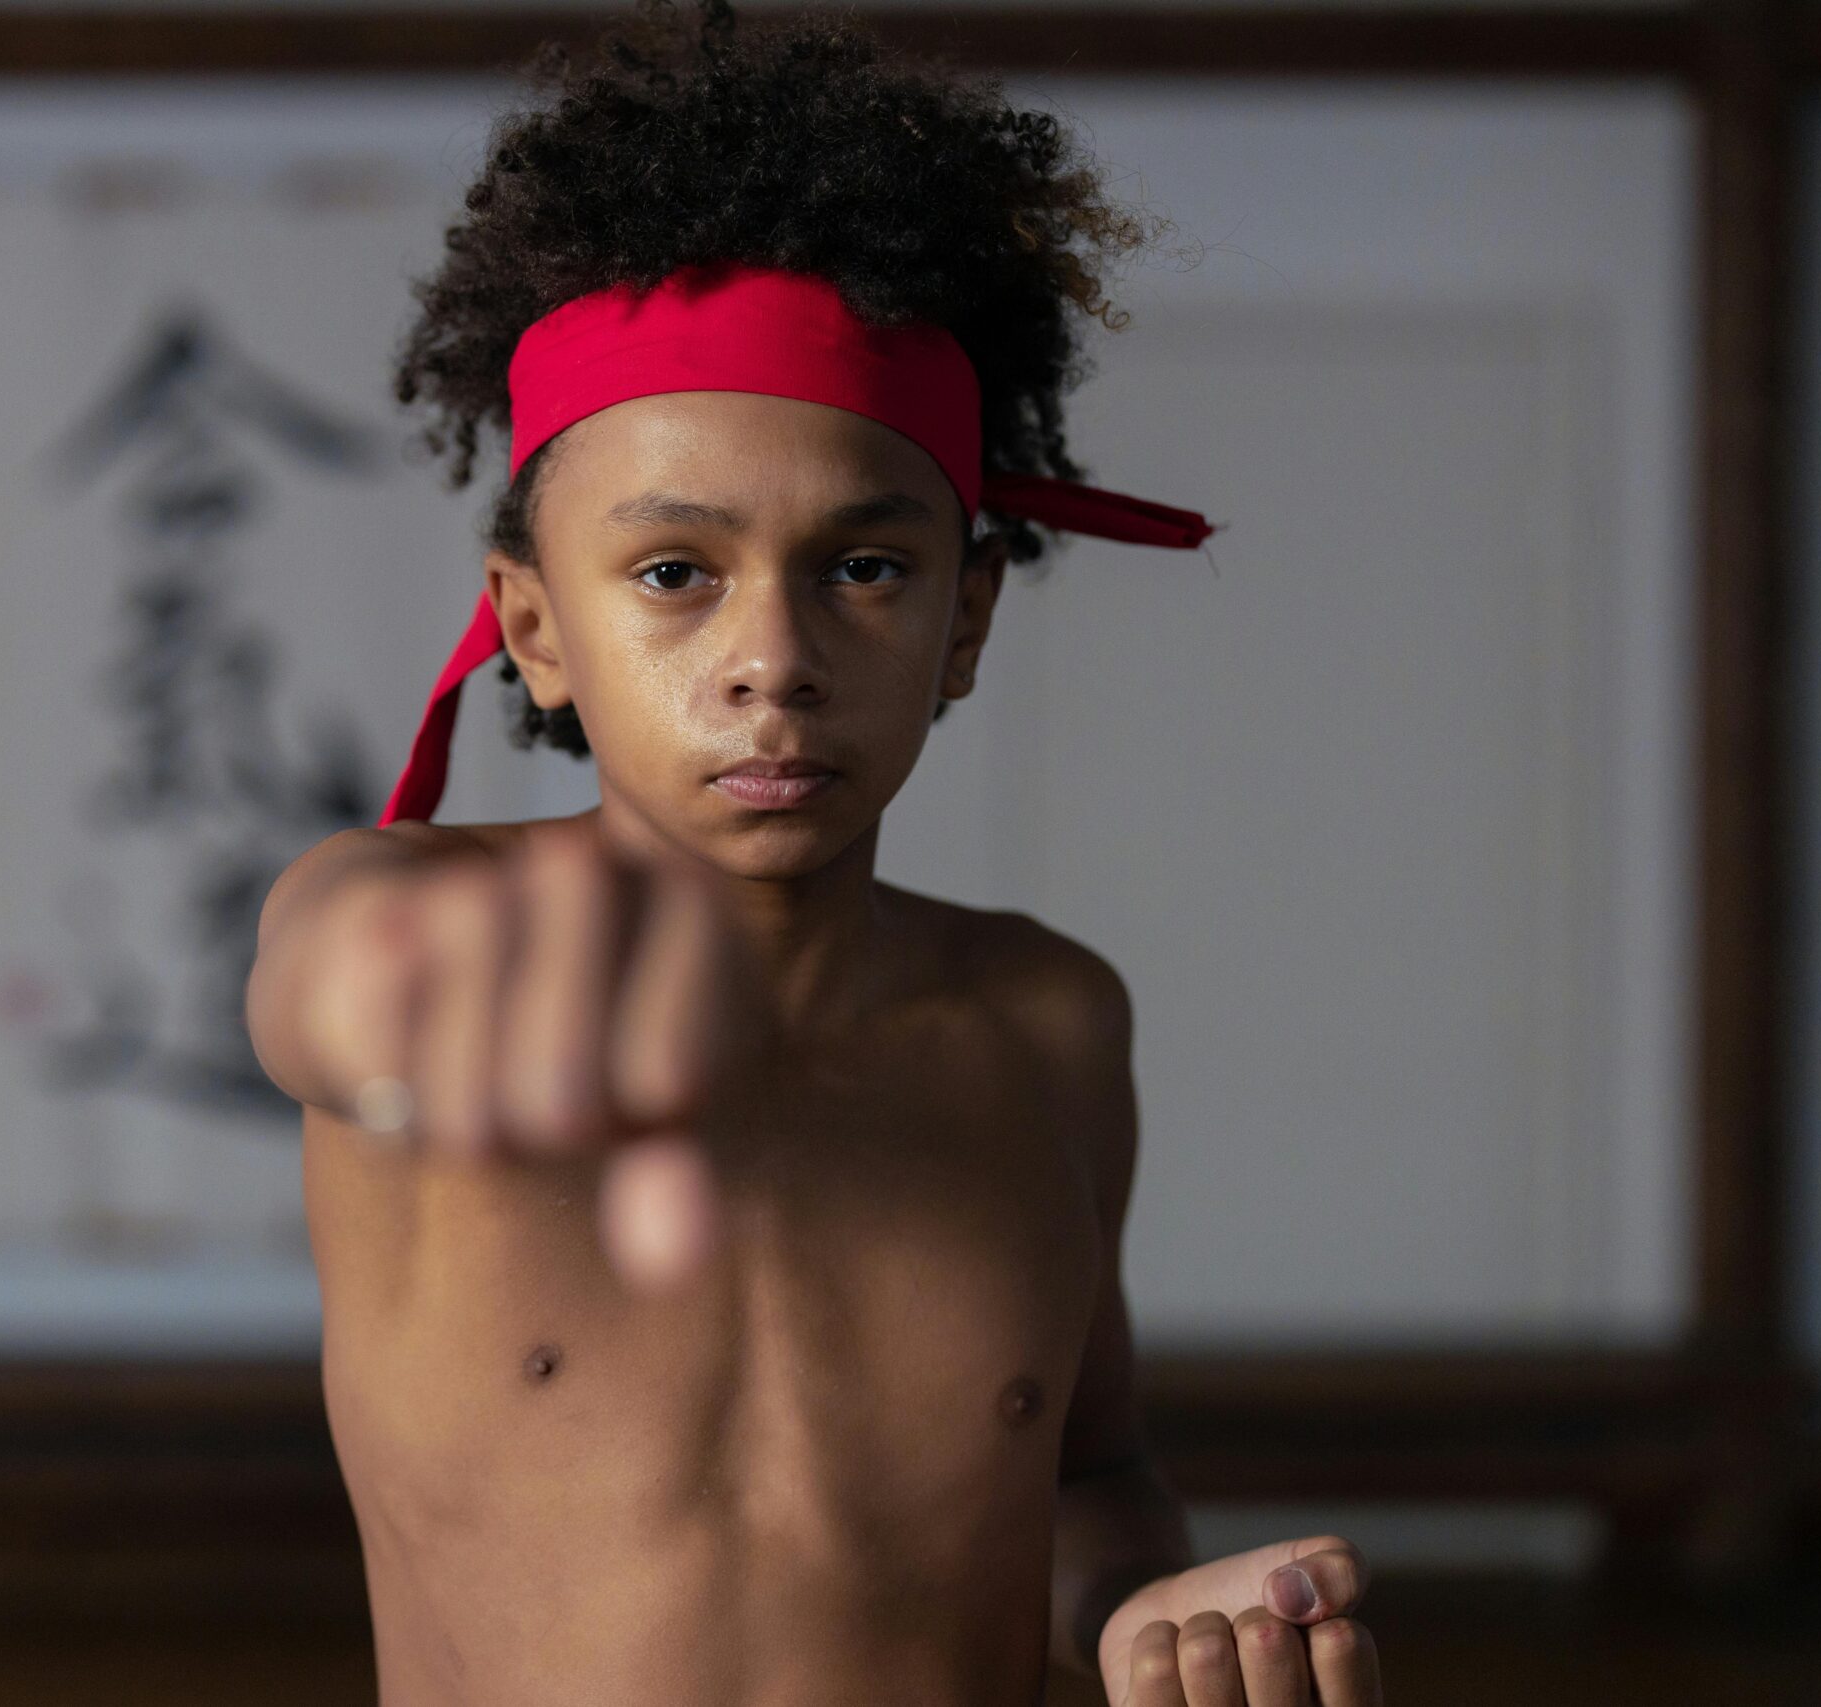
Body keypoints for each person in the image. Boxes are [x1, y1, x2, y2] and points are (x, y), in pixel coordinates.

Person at [245, 3, 1384, 1701]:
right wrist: (420, 1012)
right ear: (534, 631)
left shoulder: (1049, 1026)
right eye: (673, 573)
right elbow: (328, 988)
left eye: (862, 567)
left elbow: (1087, 1475)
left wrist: (1155, 1615)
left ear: (967, 616)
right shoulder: (407, 911)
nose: (771, 656)